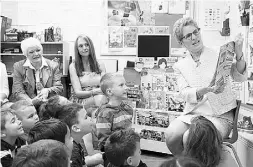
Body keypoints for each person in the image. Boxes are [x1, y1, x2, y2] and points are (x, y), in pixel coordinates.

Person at [165, 17, 247, 155]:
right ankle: (186, 163)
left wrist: (239, 52)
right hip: (193, 114)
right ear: (181, 42)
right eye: (188, 36)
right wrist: (199, 91)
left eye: (196, 32)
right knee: (171, 135)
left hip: (221, 116)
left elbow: (240, 76)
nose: (194, 37)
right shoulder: (180, 65)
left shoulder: (219, 52)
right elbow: (183, 92)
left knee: (189, 138)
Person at [12, 37, 63, 106]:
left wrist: (48, 90)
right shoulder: (18, 66)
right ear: (25, 54)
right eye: (31, 52)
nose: (36, 54)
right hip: (27, 104)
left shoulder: (53, 65)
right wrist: (31, 102)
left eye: (38, 50)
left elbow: (59, 88)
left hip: (48, 104)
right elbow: (17, 91)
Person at [96, 73, 133, 150]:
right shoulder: (105, 114)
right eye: (121, 85)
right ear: (109, 92)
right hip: (114, 153)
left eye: (125, 84)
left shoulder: (128, 108)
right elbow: (103, 141)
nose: (126, 88)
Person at [69, 35, 107, 107]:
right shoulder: (73, 66)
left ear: (91, 46)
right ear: (77, 49)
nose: (84, 48)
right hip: (81, 101)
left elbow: (105, 87)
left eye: (87, 45)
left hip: (100, 98)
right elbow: (78, 93)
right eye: (81, 46)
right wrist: (94, 92)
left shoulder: (100, 64)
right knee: (101, 99)